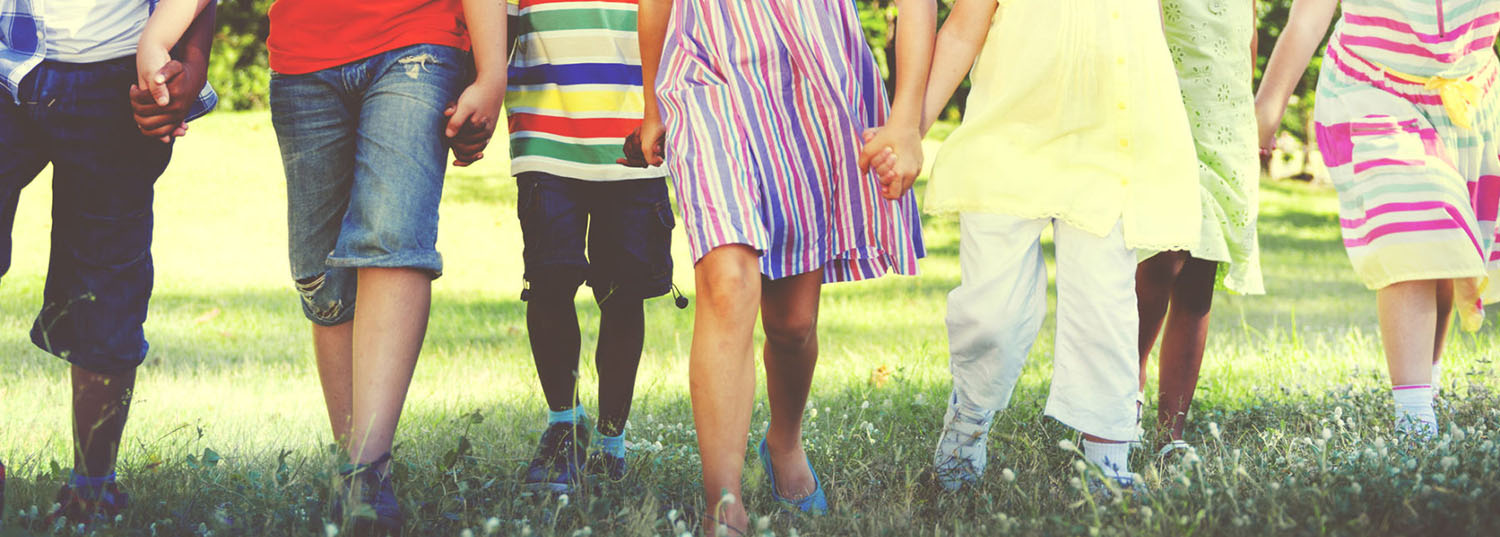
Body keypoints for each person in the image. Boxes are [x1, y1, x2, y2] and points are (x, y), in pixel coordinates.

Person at [630, 0, 933, 532]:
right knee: (727, 282)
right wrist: (653, 103)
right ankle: (723, 507)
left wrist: (906, 119)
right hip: (704, 74)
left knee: (792, 325)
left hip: (813, 78)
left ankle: (784, 441)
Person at [894, 0, 1200, 493]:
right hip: (1008, 135)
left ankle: (1107, 459)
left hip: (1109, 143)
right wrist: (910, 131)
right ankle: (969, 416)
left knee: (1104, 303)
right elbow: (961, 29)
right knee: (991, 311)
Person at [265, 0, 506, 532]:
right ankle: (352, 463)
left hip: (417, 39)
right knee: (320, 272)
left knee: (393, 234)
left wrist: (492, 74)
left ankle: (365, 480)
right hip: (302, 57)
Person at [0, 0, 217, 524]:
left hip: (122, 74)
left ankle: (91, 492)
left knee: (106, 282)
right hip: (5, 66)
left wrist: (190, 57)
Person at [1257, 0, 1500, 439]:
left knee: (1445, 248)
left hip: (1465, 98)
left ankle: (1426, 387)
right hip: (1372, 92)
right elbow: (1308, 19)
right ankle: (1414, 424)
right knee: (1415, 226)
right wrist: (1266, 113)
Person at [504, 0, 676, 492]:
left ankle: (610, 443)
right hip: (544, 130)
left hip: (635, 133)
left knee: (622, 295)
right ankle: (564, 424)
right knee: (549, 279)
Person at [1140, 0, 1265, 457]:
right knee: (1161, 260)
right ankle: (1121, 392)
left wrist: (1250, 118)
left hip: (1224, 125)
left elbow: (1246, 39)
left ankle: (1170, 434)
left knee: (1199, 279)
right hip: (1168, 114)